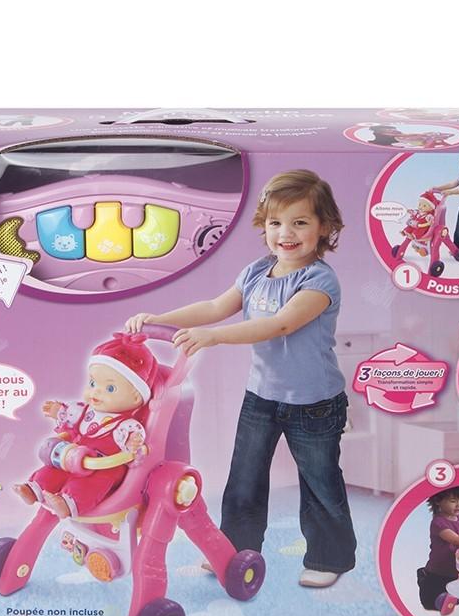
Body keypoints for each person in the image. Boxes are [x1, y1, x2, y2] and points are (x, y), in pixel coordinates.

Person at [126, 169, 356, 588]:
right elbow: (215, 307)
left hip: (314, 404)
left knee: (320, 482)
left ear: (324, 227)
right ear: (263, 226)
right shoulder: (255, 272)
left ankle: (330, 557)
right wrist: (159, 318)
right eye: (275, 222)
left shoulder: (320, 280)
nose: (285, 233)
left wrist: (214, 338)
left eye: (300, 222)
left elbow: (280, 324)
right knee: (244, 478)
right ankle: (231, 550)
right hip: (262, 397)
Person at [15, 333, 154, 518]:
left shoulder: (127, 425)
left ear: (136, 397)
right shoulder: (84, 410)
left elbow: (133, 443)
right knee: (52, 469)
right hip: (74, 457)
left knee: (90, 485)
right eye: (93, 383)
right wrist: (58, 411)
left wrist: (132, 443)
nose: (95, 392)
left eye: (110, 388)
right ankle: (35, 489)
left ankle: (68, 503)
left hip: (103, 467)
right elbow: (70, 416)